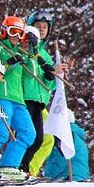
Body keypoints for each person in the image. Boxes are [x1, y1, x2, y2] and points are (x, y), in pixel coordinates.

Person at [0, 16, 37, 179]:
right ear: (4, 31)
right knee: (2, 132)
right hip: (1, 95)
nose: (16, 37)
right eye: (13, 32)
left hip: (18, 100)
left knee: (28, 133)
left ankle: (9, 165)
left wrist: (33, 52)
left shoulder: (18, 51)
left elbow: (31, 75)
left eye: (20, 34)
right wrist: (9, 64)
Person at [20, 11, 65, 173]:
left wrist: (51, 74)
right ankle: (18, 167)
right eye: (38, 26)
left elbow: (49, 86)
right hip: (25, 98)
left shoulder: (44, 53)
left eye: (45, 27)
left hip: (39, 100)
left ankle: (25, 169)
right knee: (32, 137)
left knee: (40, 138)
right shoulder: (25, 48)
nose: (42, 29)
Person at [43, 111, 90, 181]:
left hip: (67, 176)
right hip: (79, 175)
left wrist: (49, 176)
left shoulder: (64, 136)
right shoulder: (77, 136)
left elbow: (60, 159)